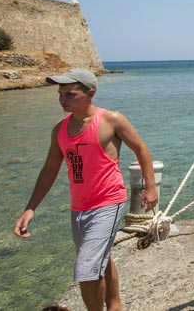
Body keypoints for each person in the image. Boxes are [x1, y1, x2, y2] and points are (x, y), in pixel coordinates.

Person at [14, 68, 158, 311]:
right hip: (79, 207)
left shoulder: (111, 120)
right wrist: (30, 208)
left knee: (87, 270)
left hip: (109, 202)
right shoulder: (59, 129)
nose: (62, 100)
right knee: (99, 258)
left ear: (90, 93)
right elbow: (50, 168)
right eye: (60, 94)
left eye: (70, 94)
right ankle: (115, 305)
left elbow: (141, 149)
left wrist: (150, 187)